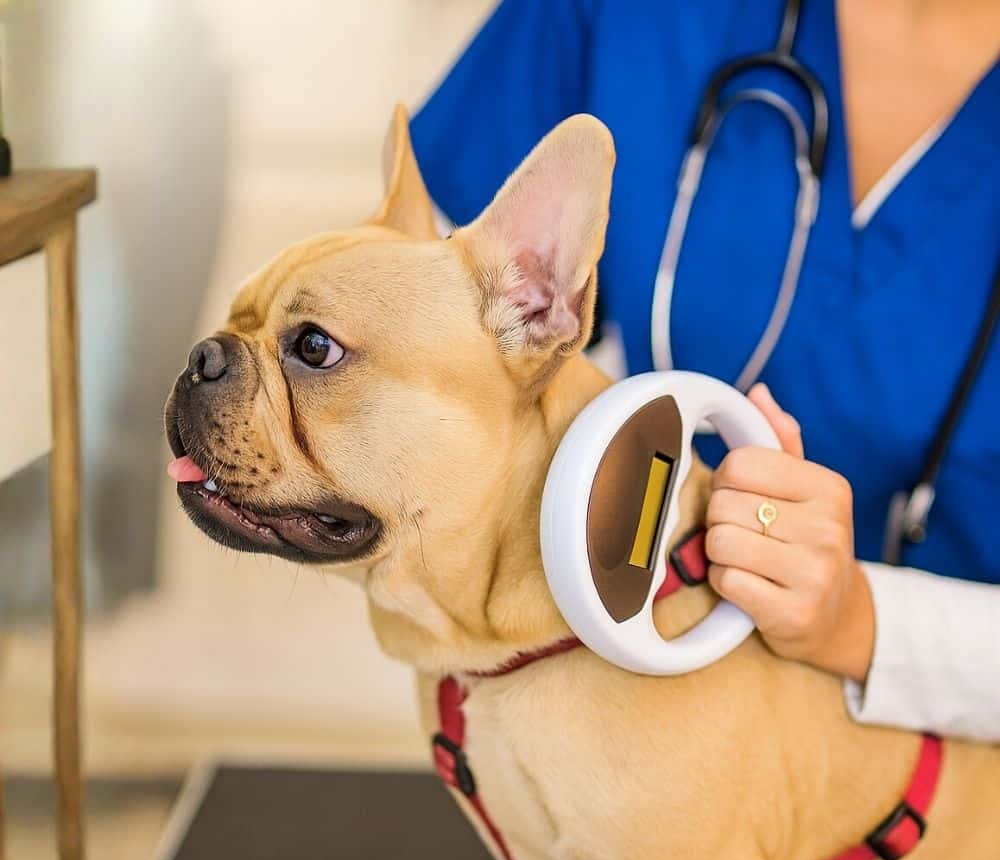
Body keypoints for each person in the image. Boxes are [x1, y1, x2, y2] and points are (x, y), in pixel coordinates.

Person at [410, 0, 1000, 741]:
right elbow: (437, 319)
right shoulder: (634, 19)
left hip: (949, 797)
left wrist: (857, 621)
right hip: (610, 716)